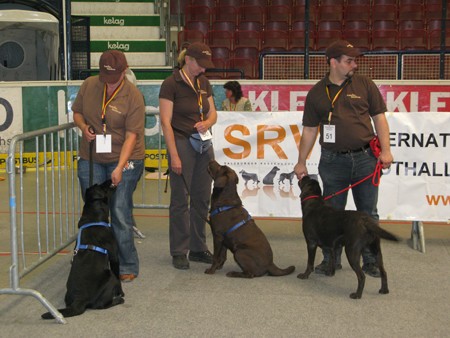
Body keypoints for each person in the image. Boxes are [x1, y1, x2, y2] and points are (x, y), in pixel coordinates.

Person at [294, 40, 394, 277]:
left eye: (355, 60)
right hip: (332, 162)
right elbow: (309, 130)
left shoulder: (365, 84)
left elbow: (379, 118)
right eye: (349, 61)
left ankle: (371, 260)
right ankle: (331, 260)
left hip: (365, 159)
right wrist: (301, 161)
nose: (355, 65)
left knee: (368, 213)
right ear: (333, 62)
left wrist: (386, 150)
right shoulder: (317, 93)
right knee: (329, 214)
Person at [73, 50, 145, 283]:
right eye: (105, 76)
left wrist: (119, 168)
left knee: (119, 211)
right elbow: (77, 112)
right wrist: (84, 127)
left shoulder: (133, 96)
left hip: (125, 157)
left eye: (113, 77)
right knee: (93, 210)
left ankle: (126, 263)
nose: (109, 81)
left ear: (124, 71)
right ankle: (92, 256)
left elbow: (132, 136)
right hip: (91, 157)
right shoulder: (89, 85)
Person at [159, 42, 217, 270]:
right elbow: (165, 122)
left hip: (203, 144)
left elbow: (213, 112)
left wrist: (208, 123)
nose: (203, 70)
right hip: (181, 141)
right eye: (200, 65)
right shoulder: (170, 83)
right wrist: (174, 156)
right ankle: (179, 250)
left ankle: (198, 247)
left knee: (202, 197)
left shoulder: (203, 82)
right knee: (181, 200)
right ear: (189, 60)